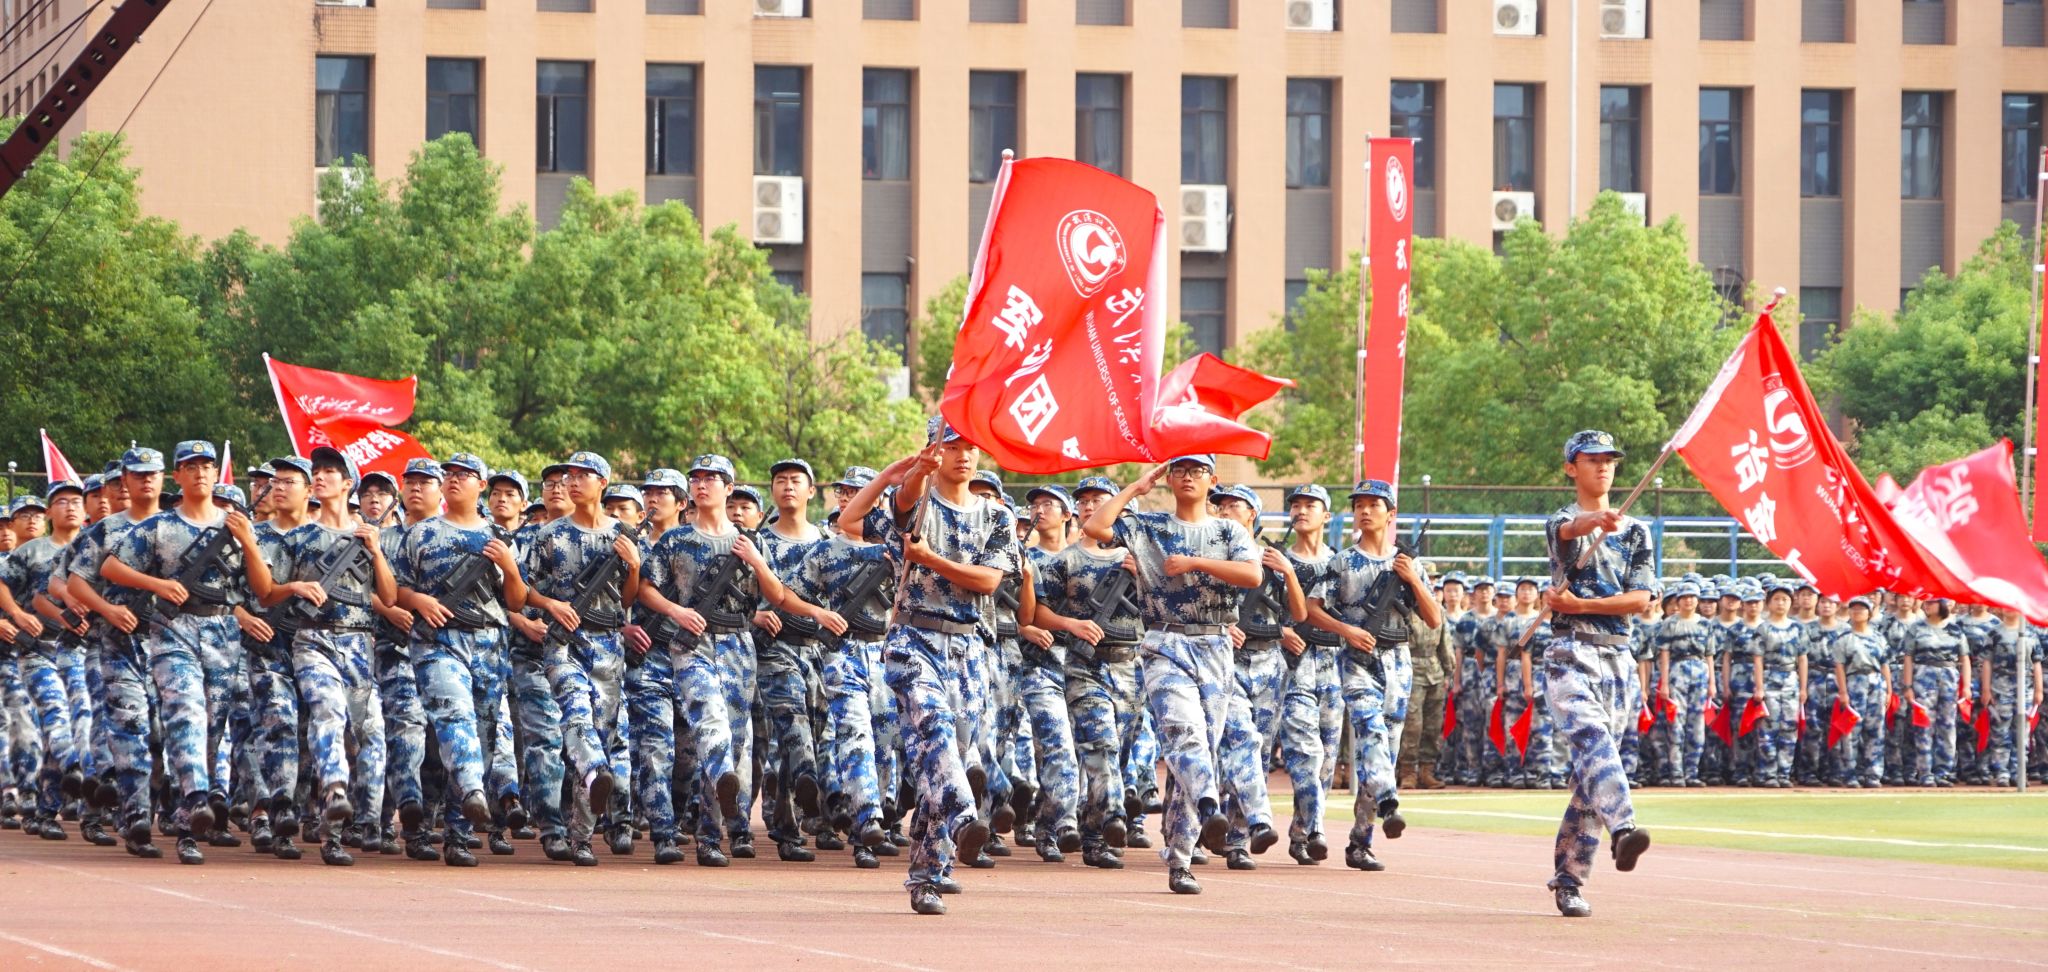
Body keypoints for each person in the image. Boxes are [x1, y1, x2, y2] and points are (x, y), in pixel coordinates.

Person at [840, 421, 1014, 916]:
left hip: (967, 647)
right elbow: (851, 519)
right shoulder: (916, 504)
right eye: (952, 445)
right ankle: (964, 819)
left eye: (970, 447)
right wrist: (897, 474)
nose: (963, 455)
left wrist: (930, 559)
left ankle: (928, 874)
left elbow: (988, 581)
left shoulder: (996, 516)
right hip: (914, 639)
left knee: (944, 758)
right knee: (935, 731)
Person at [1082, 455, 1260, 896]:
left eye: (1197, 471)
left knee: (1200, 750)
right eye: (1179, 470)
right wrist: (1135, 488)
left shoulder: (1228, 531)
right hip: (1164, 641)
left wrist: (1196, 563)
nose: (1187, 477)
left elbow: (1252, 574)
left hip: (1215, 644)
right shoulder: (1150, 526)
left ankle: (1180, 857)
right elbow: (1096, 528)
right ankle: (1210, 804)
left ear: (1212, 480)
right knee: (1184, 735)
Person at [101, 441, 273, 865]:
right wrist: (157, 585)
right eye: (190, 467)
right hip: (173, 630)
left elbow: (262, 588)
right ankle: (196, 798)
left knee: (211, 728)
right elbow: (110, 566)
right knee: (185, 714)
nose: (199, 473)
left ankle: (186, 823)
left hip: (222, 632)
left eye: (206, 466)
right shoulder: (159, 526)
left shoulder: (237, 524)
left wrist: (248, 542)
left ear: (216, 474)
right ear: (177, 476)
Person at [259, 446, 397, 866]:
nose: (319, 477)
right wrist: (294, 588)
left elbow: (389, 596)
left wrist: (375, 551)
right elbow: (267, 593)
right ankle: (334, 792)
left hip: (359, 644)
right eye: (316, 472)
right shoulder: (300, 537)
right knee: (327, 711)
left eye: (329, 472)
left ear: (347, 484)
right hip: (312, 640)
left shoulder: (368, 535)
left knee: (364, 734)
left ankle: (352, 823)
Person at [1537, 430, 1655, 919]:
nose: (1603, 466)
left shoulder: (1638, 533)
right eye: (1592, 459)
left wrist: (1582, 603)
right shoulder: (1562, 521)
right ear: (1572, 467)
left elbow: (1641, 598)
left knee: (1594, 774)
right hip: (1570, 652)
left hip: (1618, 658)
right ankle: (1624, 828)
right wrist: (1596, 521)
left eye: (1609, 459)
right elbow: (1571, 529)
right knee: (1593, 742)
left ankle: (1569, 880)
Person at [394, 453, 528, 866]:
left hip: (488, 643)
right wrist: (418, 600)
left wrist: (509, 567)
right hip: (437, 641)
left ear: (481, 485)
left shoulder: (499, 538)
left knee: (483, 734)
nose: (454, 480)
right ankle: (471, 788)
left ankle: (459, 832)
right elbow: (395, 588)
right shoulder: (422, 533)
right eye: (449, 474)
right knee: (455, 717)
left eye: (464, 475)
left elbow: (517, 601)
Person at [1304, 479, 1440, 871]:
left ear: (1390, 514)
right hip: (1356, 660)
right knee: (1371, 732)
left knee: (1383, 751)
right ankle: (1389, 802)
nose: (1365, 511)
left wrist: (1412, 578)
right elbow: (1312, 609)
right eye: (1359, 505)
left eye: (1374, 505)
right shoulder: (1343, 562)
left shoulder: (1409, 564)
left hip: (1398, 661)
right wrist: (1346, 630)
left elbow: (1433, 618)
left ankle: (1361, 841)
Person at [521, 452, 637, 865]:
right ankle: (593, 772)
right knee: (575, 714)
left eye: (584, 475)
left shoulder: (624, 535)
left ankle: (582, 836)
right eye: (570, 475)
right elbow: (522, 590)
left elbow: (627, 599)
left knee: (601, 732)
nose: (573, 481)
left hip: (608, 644)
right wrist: (549, 604)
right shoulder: (549, 534)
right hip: (564, 642)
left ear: (603, 482)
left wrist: (634, 566)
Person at [65, 448, 165, 857]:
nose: (146, 480)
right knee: (129, 727)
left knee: (162, 734)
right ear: (124, 480)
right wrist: (107, 610)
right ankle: (136, 817)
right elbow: (74, 582)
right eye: (138, 474)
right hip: (119, 643)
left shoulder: (178, 525)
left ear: (163, 478)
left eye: (152, 473)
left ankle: (154, 807)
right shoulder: (105, 530)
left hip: (172, 643)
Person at [1208, 483, 1286, 869]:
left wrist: (1288, 572)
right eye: (1220, 506)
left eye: (1233, 506)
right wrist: (1220, 626)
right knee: (1228, 743)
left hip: (1266, 664)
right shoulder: (1205, 553)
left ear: (1252, 514)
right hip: (1216, 661)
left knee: (1256, 751)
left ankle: (1238, 839)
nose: (1224, 511)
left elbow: (1298, 612)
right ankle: (1203, 828)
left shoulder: (1270, 560)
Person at [1653, 582, 1715, 787]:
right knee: (1676, 723)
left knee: (1697, 725)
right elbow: (1664, 654)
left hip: (1700, 672)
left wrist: (1712, 683)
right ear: (1678, 601)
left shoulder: (1705, 624)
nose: (1688, 601)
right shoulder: (1670, 623)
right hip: (1677, 672)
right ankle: (1676, 772)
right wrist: (1664, 683)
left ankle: (1692, 772)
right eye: (1684, 597)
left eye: (1692, 597)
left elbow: (1709, 655)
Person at [1904, 598, 1971, 787]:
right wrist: (1907, 686)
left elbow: (1964, 658)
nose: (1927, 605)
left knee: (1948, 726)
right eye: (1926, 602)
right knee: (1924, 725)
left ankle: (1943, 771)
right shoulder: (1916, 629)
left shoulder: (1955, 629)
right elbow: (1908, 658)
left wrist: (1966, 686)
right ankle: (1925, 772)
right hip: (1923, 677)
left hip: (1949, 677)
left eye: (1932, 602)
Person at [1830, 596, 1891, 788]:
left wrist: (1889, 690)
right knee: (1851, 730)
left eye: (1862, 609)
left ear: (1869, 613)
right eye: (1854, 609)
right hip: (1854, 681)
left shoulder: (1878, 637)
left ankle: (1873, 774)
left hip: (1876, 682)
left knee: (1876, 729)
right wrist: (1843, 691)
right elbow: (1839, 666)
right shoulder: (1844, 639)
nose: (1857, 612)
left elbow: (1885, 664)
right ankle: (1849, 773)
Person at [1979, 607, 2041, 788]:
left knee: (2022, 732)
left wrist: (2038, 690)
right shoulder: (1994, 633)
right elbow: (1987, 662)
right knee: (2000, 731)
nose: (2008, 609)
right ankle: (2002, 772)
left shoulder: (2030, 633)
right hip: (2001, 687)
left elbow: (2036, 662)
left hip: (2025, 687)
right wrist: (1986, 689)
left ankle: (2019, 772)